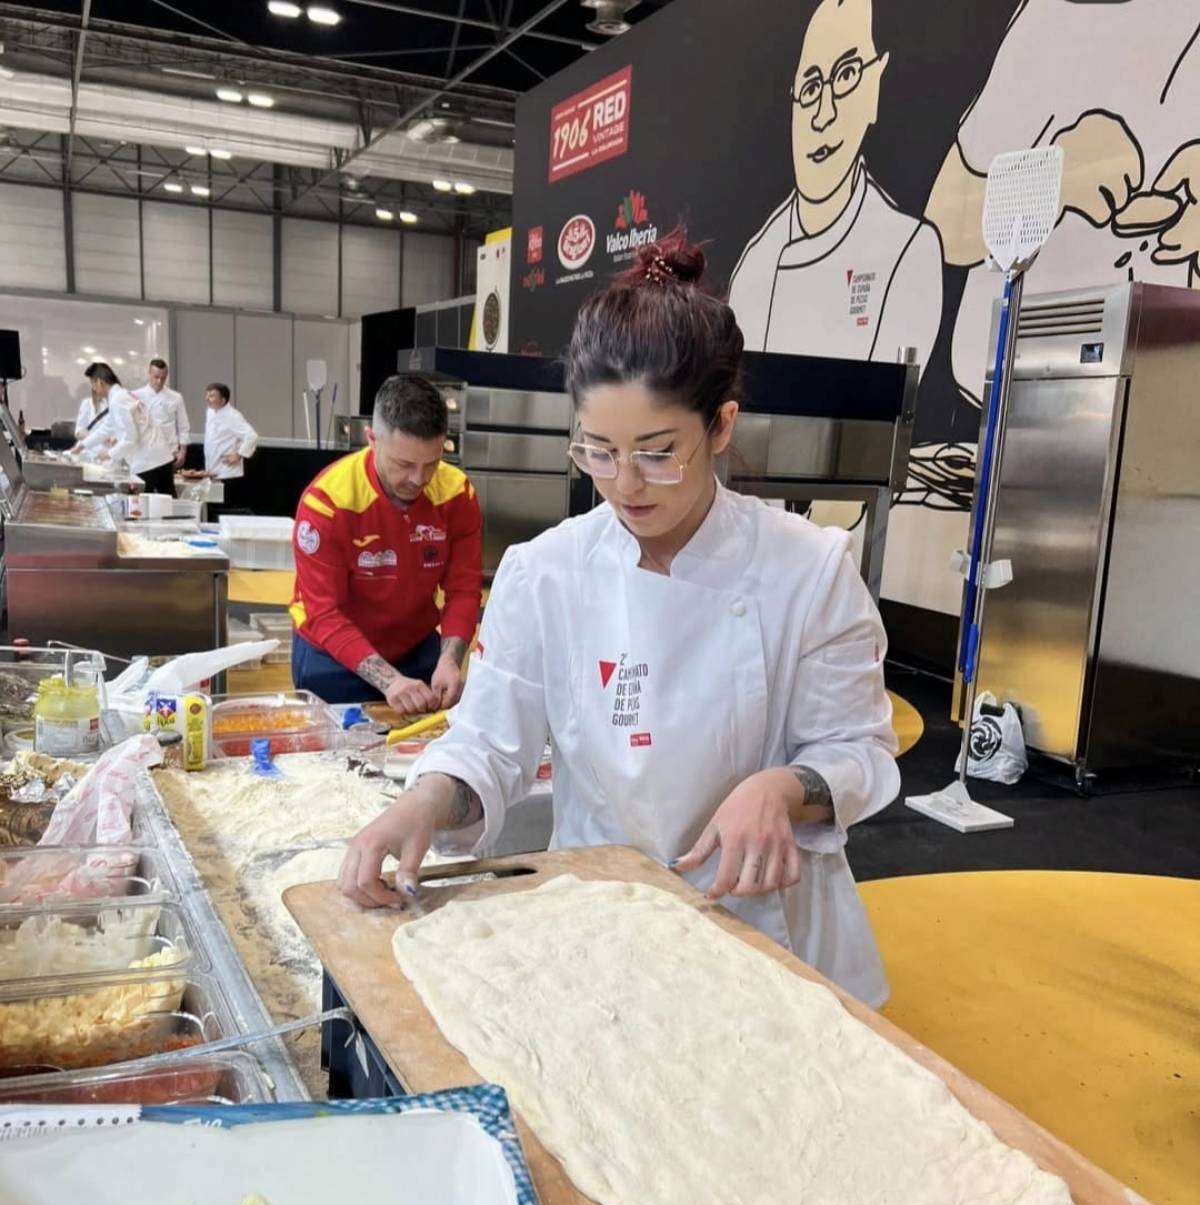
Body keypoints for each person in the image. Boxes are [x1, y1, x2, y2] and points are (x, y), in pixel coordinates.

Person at [340, 232, 901, 1007]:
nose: (625, 484)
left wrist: (783, 787)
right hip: (602, 923)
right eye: (598, 451)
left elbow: (860, 754)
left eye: (658, 452)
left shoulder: (808, 569)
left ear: (723, 426)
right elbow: (491, 743)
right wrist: (428, 798)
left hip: (765, 927)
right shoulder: (548, 571)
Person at [924, 0, 1200, 402]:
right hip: (1023, 391)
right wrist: (1058, 175)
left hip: (1165, 393)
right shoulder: (1053, 20)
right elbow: (943, 227)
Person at [728, 0, 941, 375]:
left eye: (846, 76)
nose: (823, 113)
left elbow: (882, 427)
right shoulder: (753, 267)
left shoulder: (908, 252)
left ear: (875, 85)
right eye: (810, 88)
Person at [289, 374, 483, 714]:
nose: (418, 479)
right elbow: (324, 613)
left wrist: (451, 660)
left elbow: (464, 591)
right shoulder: (327, 503)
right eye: (404, 464)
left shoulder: (457, 494)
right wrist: (389, 681)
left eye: (432, 464)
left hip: (417, 650)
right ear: (372, 439)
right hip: (331, 657)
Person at [85, 362, 173, 483]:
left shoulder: (118, 399)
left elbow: (130, 438)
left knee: (151, 500)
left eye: (93, 384)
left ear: (100, 382)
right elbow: (107, 427)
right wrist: (82, 445)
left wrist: (109, 454)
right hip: (157, 457)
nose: (93, 389)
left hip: (150, 461)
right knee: (166, 498)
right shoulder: (119, 396)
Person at [133, 358, 190, 486]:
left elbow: (183, 425)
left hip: (168, 452)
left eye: (163, 378)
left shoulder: (176, 397)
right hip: (144, 452)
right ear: (149, 374)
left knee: (167, 491)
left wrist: (183, 451)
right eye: (156, 377)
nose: (159, 381)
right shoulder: (136, 395)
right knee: (144, 491)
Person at [202, 384, 258, 503]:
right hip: (212, 469)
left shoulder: (233, 416)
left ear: (222, 400)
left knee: (226, 508)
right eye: (207, 395)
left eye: (211, 396)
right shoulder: (210, 411)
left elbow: (252, 436)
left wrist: (238, 454)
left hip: (228, 472)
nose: (207, 398)